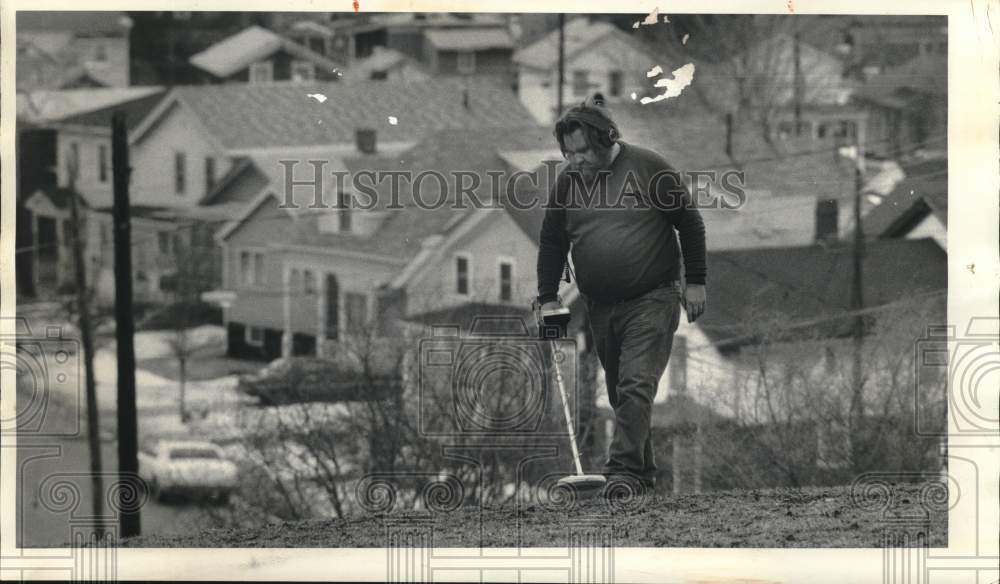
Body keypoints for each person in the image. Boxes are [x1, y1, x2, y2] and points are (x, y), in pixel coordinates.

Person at [535, 93, 707, 492]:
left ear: (605, 140)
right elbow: (552, 243)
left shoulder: (648, 167)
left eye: (582, 152)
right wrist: (548, 297)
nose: (575, 160)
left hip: (653, 297)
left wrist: (695, 281)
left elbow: (690, 223)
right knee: (620, 393)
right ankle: (639, 481)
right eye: (568, 153)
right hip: (600, 306)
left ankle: (622, 472)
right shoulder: (568, 183)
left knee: (635, 384)